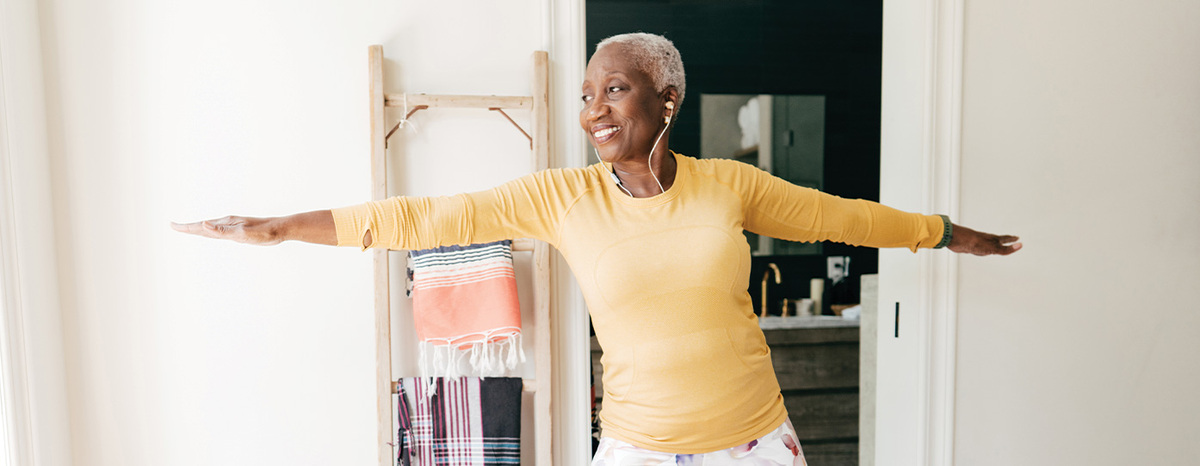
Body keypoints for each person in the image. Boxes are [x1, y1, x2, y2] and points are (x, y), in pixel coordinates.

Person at [174, 33, 1020, 466]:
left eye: (614, 87)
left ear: (667, 95)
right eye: (586, 95)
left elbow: (844, 216)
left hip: (754, 439)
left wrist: (948, 234)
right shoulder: (559, 196)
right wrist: (284, 226)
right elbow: (429, 217)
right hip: (638, 446)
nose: (594, 109)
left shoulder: (730, 184)